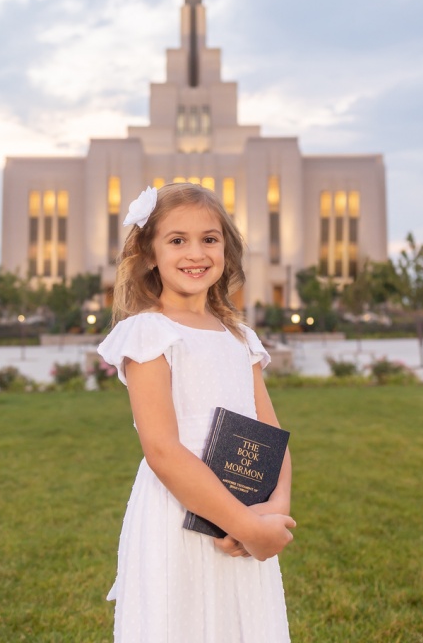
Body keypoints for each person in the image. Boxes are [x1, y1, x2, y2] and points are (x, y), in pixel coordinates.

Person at [98, 182, 295, 642]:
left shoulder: (240, 338)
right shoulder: (149, 333)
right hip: (176, 519)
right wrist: (243, 523)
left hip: (245, 518)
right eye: (177, 240)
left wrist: (272, 513)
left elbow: (271, 434)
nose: (196, 252)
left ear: (226, 248)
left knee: (238, 622)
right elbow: (163, 449)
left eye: (209, 239)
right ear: (149, 253)